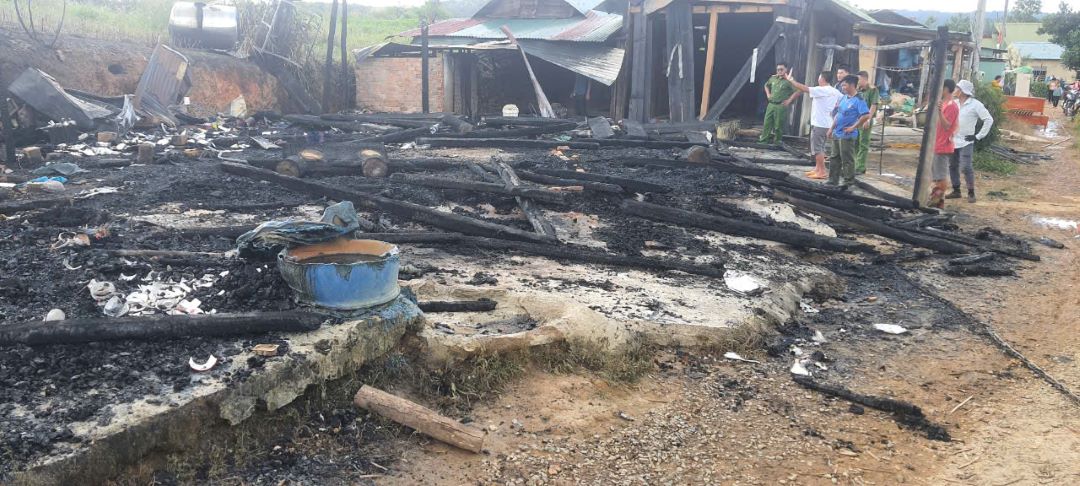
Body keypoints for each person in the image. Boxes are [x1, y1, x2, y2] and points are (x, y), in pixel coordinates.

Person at [786, 70, 842, 179]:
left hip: (820, 123)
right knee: (820, 147)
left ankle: (822, 171)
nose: (818, 79)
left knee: (817, 149)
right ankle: (817, 168)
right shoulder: (835, 91)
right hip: (828, 123)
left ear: (822, 79)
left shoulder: (821, 90)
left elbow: (804, 88)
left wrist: (791, 80)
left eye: (819, 77)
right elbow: (841, 101)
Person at [948, 79, 994, 203]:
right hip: (953, 139)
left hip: (967, 141)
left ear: (963, 91)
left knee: (966, 167)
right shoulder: (954, 103)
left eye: (958, 88)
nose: (955, 90)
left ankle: (971, 192)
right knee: (952, 165)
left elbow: (989, 119)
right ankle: (956, 190)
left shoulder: (975, 104)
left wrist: (978, 136)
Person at [828, 75, 871, 188]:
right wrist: (831, 129)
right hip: (837, 133)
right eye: (842, 85)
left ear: (852, 85)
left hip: (847, 135)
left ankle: (848, 182)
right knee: (834, 158)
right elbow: (838, 115)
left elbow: (866, 115)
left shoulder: (859, 100)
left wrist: (854, 127)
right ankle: (833, 181)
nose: (842, 87)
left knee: (847, 159)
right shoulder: (844, 98)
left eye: (844, 85)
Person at [929, 80, 960, 209]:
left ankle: (938, 203)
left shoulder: (952, 106)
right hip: (938, 143)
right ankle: (934, 200)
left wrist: (940, 112)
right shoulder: (946, 103)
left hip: (943, 145)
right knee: (936, 175)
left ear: (946, 89)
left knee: (940, 176)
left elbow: (947, 125)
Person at [759, 62, 799, 145]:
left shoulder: (789, 80)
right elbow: (766, 85)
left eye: (781, 69)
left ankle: (777, 142)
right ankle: (763, 141)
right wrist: (768, 94)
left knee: (778, 125)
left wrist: (789, 100)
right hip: (771, 104)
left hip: (781, 105)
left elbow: (798, 91)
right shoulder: (773, 78)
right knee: (767, 123)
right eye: (778, 69)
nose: (779, 71)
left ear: (786, 69)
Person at [855, 70, 879, 174]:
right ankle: (855, 165)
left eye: (859, 80)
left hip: (865, 120)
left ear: (865, 79)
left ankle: (860, 167)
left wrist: (868, 119)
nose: (858, 82)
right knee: (855, 143)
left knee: (863, 144)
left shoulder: (873, 90)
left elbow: (873, 105)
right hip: (857, 120)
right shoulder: (858, 90)